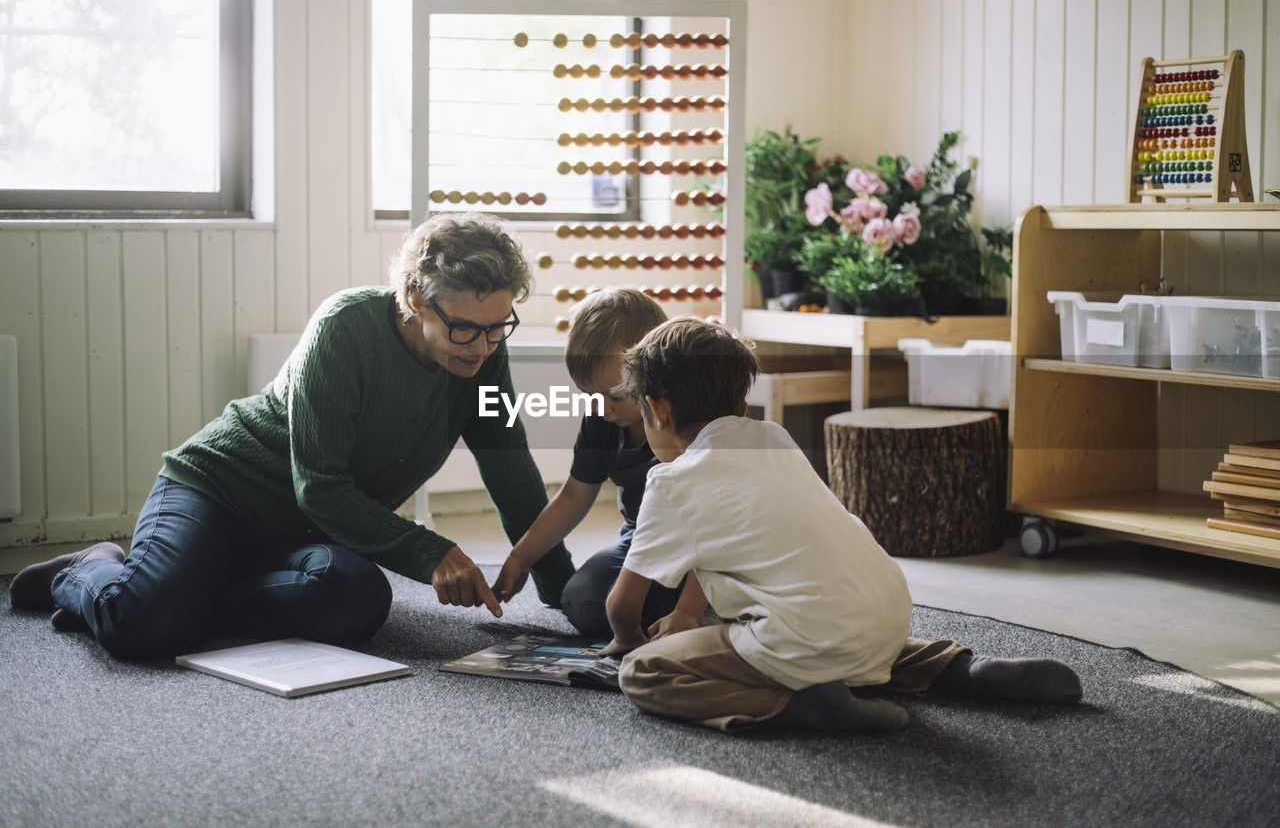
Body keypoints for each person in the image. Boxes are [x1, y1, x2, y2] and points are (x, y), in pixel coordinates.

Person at [8, 212, 574, 658]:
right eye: (465, 328)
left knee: (358, 599)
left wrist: (563, 591)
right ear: (416, 300)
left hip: (301, 531)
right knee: (142, 628)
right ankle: (89, 569)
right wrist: (433, 551)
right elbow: (322, 487)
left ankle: (188, 590)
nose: (481, 345)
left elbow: (510, 468)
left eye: (497, 328)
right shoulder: (344, 326)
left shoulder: (482, 358)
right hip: (217, 491)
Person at [603, 317, 1082, 732]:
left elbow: (624, 606)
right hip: (889, 615)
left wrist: (628, 639)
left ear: (658, 410)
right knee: (843, 635)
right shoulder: (774, 438)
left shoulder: (670, 483)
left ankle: (797, 704)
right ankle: (964, 669)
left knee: (644, 673)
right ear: (742, 408)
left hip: (802, 639)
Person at [491, 288, 684, 635]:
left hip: (698, 545)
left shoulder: (683, 421)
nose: (603, 409)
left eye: (616, 396)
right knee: (582, 601)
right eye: (590, 396)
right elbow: (574, 495)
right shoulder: (602, 418)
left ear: (658, 370)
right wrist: (521, 556)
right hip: (640, 542)